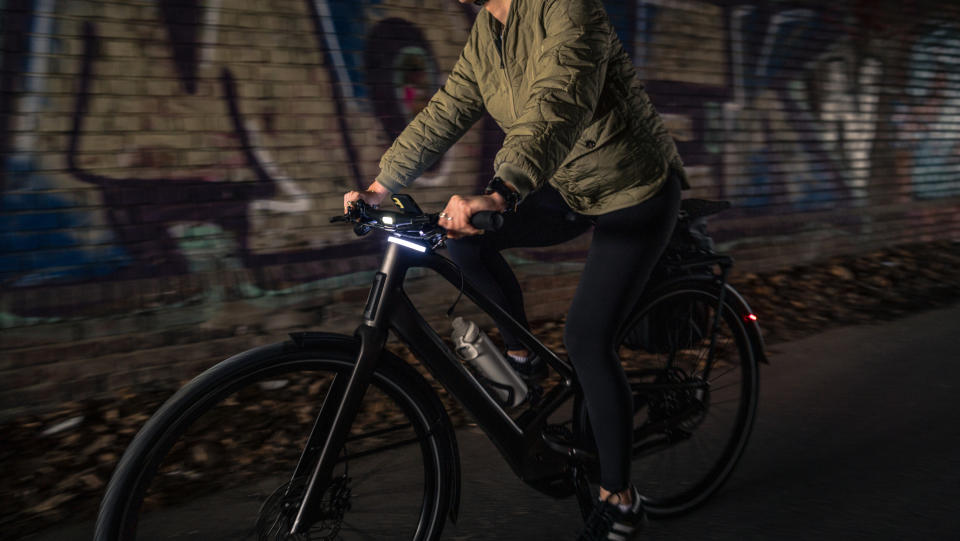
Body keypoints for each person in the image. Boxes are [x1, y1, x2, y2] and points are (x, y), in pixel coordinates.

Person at [343, 0, 688, 538]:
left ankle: (620, 500)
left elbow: (559, 101)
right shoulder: (488, 31)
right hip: (568, 185)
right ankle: (524, 360)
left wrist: (503, 190)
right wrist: (382, 185)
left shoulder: (568, 9)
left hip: (633, 190)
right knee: (465, 245)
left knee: (587, 337)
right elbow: (448, 107)